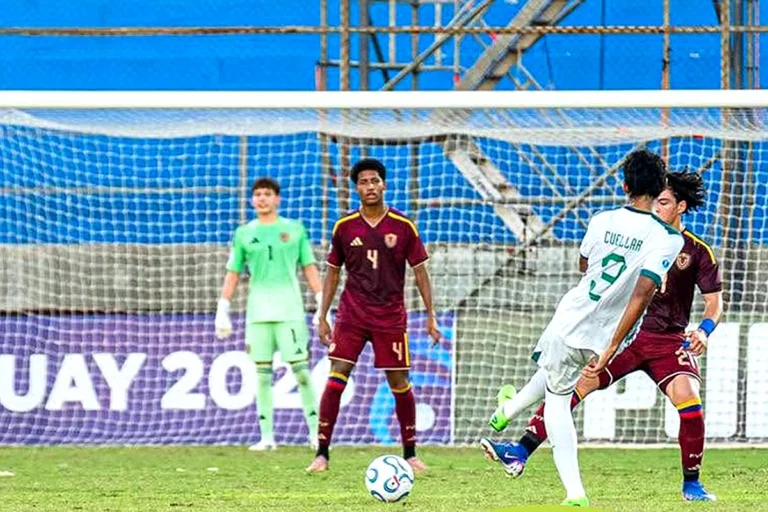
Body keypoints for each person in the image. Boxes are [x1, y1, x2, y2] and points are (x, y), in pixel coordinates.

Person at [482, 170, 723, 502]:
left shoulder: (695, 250)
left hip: (668, 340)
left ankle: (692, 484)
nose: (657, 208)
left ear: (681, 206)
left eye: (664, 203)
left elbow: (714, 304)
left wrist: (705, 330)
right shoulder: (644, 236)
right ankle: (520, 449)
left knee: (690, 400)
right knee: (570, 389)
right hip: (625, 335)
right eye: (656, 201)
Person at [305, 158, 441, 473]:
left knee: (399, 381)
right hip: (352, 315)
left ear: (384, 185)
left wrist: (430, 315)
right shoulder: (344, 227)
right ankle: (321, 453)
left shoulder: (403, 226)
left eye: (375, 180)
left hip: (390, 317)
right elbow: (332, 273)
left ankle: (410, 453)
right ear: (356, 188)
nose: (370, 186)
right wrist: (322, 315)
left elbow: (420, 272)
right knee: (336, 376)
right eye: (364, 182)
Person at [215, 177, 327, 451]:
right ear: (252, 200)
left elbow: (309, 266)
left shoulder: (294, 229)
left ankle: (316, 434)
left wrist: (322, 301)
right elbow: (233, 272)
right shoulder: (244, 233)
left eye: (267, 194)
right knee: (262, 374)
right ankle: (267, 437)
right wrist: (223, 307)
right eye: (257, 194)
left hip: (290, 311)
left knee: (301, 372)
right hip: (258, 314)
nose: (261, 198)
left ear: (277, 199)